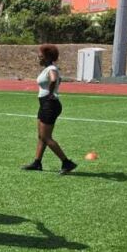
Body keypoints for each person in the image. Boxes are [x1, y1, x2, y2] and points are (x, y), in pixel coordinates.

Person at [22, 44, 77, 174]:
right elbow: (58, 80)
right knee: (41, 136)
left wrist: (51, 93)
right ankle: (37, 162)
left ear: (47, 57)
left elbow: (54, 80)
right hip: (45, 104)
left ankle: (67, 162)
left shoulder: (51, 68)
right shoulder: (48, 68)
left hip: (49, 105)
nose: (38, 58)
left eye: (40, 56)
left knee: (46, 137)